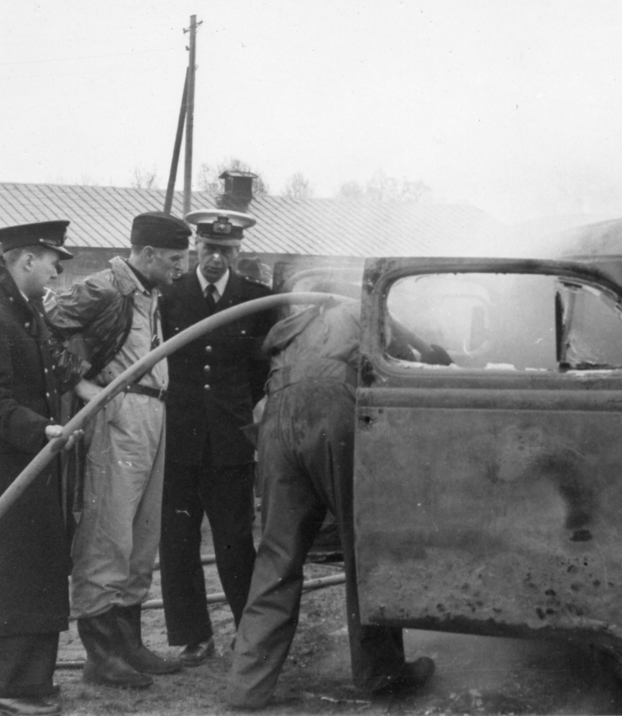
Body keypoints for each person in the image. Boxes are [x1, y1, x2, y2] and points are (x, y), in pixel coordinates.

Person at [226, 297, 437, 709]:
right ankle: (382, 673)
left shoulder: (296, 326)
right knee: (366, 544)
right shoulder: (366, 310)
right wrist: (432, 355)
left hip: (277, 418)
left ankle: (246, 686)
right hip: (332, 411)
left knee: (277, 554)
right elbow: (407, 362)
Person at [49, 212, 191, 689]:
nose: (181, 268)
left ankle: (129, 644)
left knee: (141, 537)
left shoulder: (150, 291)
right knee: (108, 534)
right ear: (147, 253)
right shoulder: (104, 286)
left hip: (153, 414)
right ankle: (102, 654)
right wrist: (81, 384)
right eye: (174, 259)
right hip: (118, 414)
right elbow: (43, 330)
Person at [0, 221, 80, 716]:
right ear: (27, 260)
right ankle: (7, 683)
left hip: (32, 462)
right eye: (53, 262)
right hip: (2, 469)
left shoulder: (26, 310)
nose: (57, 271)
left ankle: (32, 680)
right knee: (9, 577)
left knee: (36, 570)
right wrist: (42, 429)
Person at [158, 209, 276, 666]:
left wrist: (248, 410)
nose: (215, 259)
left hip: (230, 440)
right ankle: (193, 636)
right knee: (178, 540)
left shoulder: (257, 300)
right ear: (196, 249)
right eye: (208, 248)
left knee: (234, 539)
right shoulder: (169, 297)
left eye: (225, 251)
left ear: (238, 252)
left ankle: (249, 633)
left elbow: (263, 369)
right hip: (179, 438)